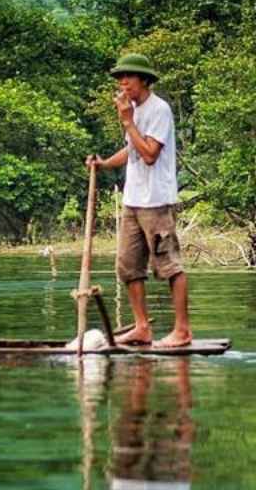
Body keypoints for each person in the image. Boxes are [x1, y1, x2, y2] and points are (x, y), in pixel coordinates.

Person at [86, 53, 191, 348]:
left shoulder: (159, 110)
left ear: (144, 80)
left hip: (156, 201)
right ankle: (142, 328)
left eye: (128, 77)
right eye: (120, 78)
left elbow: (149, 155)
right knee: (128, 266)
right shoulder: (133, 110)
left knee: (169, 265)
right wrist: (104, 163)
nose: (122, 83)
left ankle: (182, 331)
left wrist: (128, 121)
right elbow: (131, 149)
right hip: (133, 200)